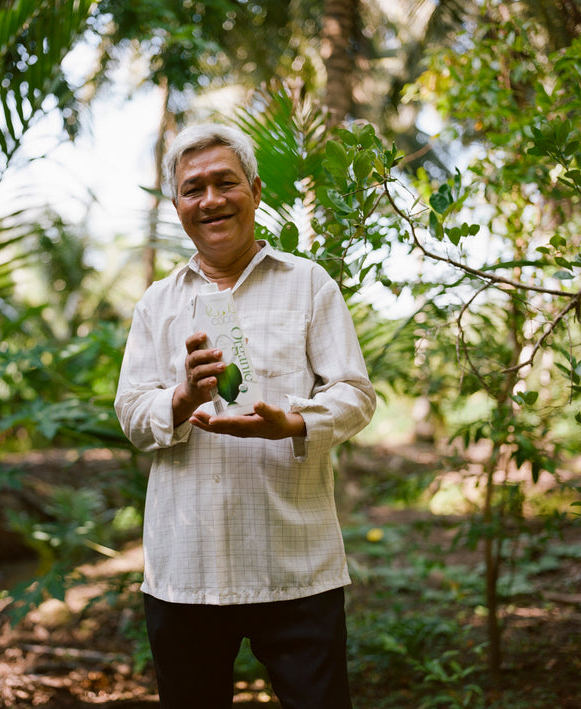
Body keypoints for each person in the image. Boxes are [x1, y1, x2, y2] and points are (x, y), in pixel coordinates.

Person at [114, 123, 376, 709]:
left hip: (295, 562)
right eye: (192, 189)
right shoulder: (157, 302)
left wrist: (295, 422)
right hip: (187, 571)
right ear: (178, 205)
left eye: (225, 183)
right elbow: (132, 411)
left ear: (255, 192)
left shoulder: (309, 284)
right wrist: (179, 401)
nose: (210, 200)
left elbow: (355, 393)